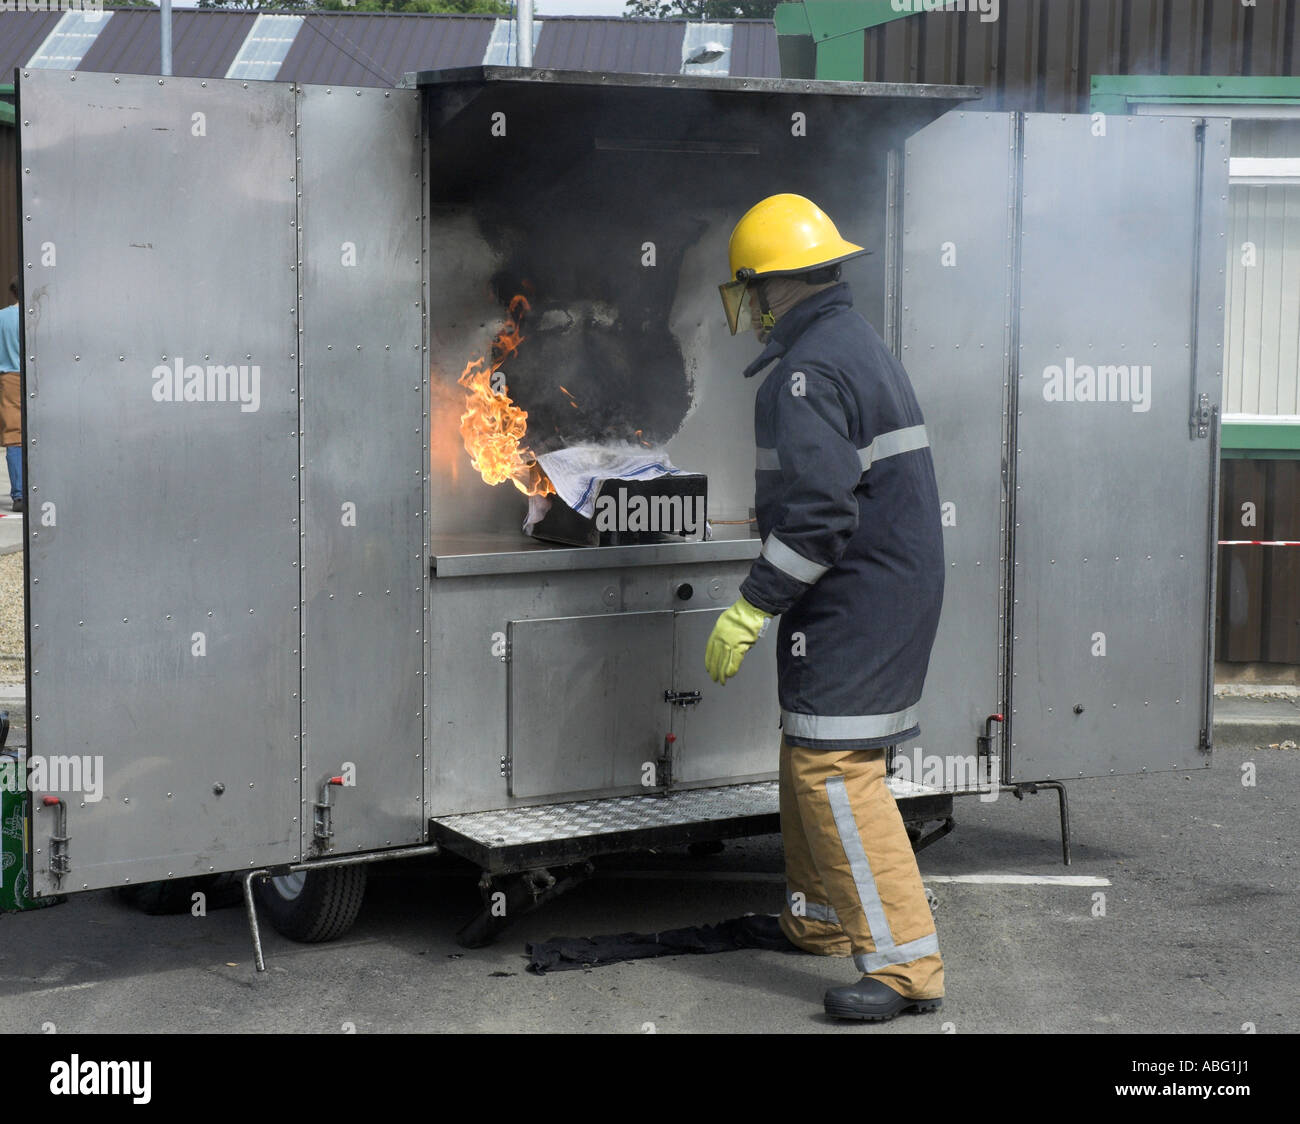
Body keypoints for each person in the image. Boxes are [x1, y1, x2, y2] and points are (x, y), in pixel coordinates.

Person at [705, 194, 946, 1022]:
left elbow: (820, 516)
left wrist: (749, 606)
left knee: (833, 770)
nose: (750, 301)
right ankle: (815, 917)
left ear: (773, 285)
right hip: (878, 588)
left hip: (860, 598)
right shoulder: (849, 343)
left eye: (751, 286)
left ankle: (906, 968)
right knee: (808, 747)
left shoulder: (807, 372)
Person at [0, 278, 22, 513]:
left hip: (9, 379)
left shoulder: (2, 318)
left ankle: (19, 495)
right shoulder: (40, 316)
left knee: (15, 436)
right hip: (39, 378)